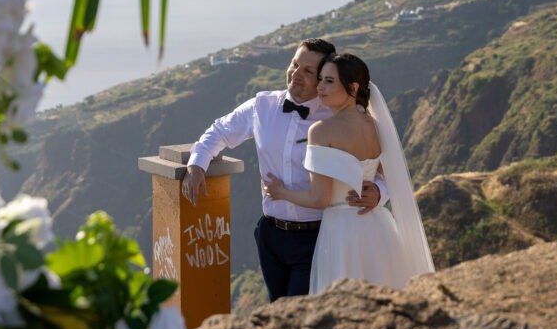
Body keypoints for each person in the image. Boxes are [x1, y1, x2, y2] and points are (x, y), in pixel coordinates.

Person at [182, 38, 388, 301]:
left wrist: (379, 192)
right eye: (294, 64)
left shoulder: (337, 118)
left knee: (295, 313)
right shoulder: (262, 106)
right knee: (278, 309)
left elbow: (379, 166)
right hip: (270, 235)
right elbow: (220, 131)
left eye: (308, 72)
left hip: (318, 237)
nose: (296, 74)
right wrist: (197, 165)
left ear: (323, 77)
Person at [262, 53, 434, 294]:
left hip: (342, 232)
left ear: (352, 88)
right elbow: (387, 175)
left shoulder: (320, 131)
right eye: (320, 79)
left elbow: (319, 199)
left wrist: (281, 192)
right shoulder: (374, 125)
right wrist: (377, 192)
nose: (320, 87)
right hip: (379, 227)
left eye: (329, 81)